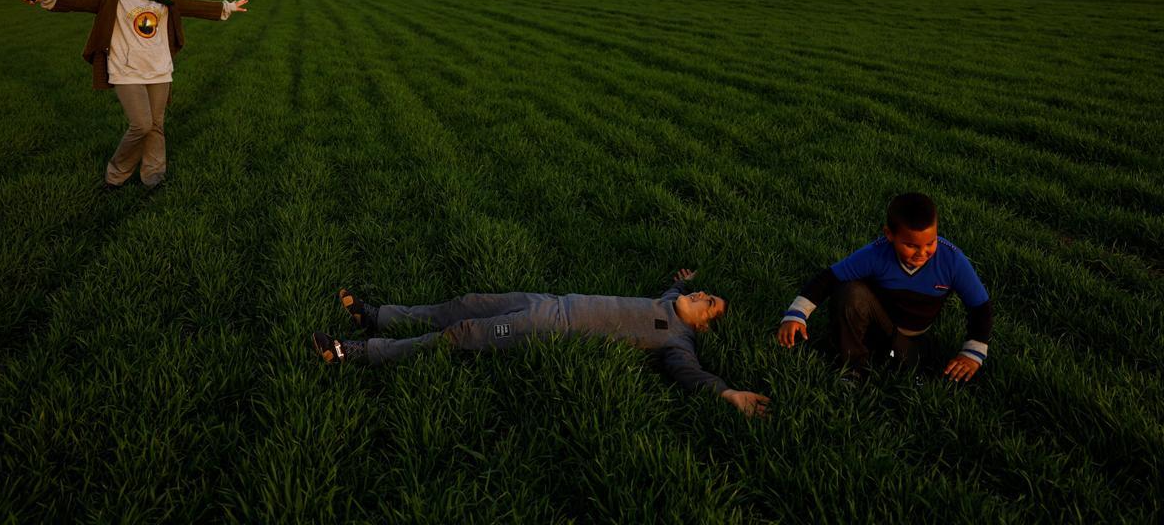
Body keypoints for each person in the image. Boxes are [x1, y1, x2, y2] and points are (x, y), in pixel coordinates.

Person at [313, 269, 770, 417]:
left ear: (704, 327)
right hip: (545, 300)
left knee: (461, 335)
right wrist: (680, 279)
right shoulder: (670, 302)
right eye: (704, 292)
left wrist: (727, 392)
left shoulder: (677, 340)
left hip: (547, 327)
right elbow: (675, 288)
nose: (699, 296)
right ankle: (376, 316)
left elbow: (690, 375)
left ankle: (354, 352)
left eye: (708, 303)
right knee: (464, 304)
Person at [15, 0, 248, 189]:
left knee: (156, 125)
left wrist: (227, 7)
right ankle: (116, 175)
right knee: (142, 125)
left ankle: (153, 176)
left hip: (159, 69)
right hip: (126, 70)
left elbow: (189, 5)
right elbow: (77, 0)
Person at [776, 193, 992, 383]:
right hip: (875, 324)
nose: (922, 252)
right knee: (849, 291)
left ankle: (887, 357)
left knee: (913, 369)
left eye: (930, 243)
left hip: (910, 339)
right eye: (911, 245)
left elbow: (979, 305)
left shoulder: (952, 260)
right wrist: (796, 315)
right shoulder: (876, 254)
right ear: (889, 235)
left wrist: (972, 353)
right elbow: (829, 278)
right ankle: (852, 370)